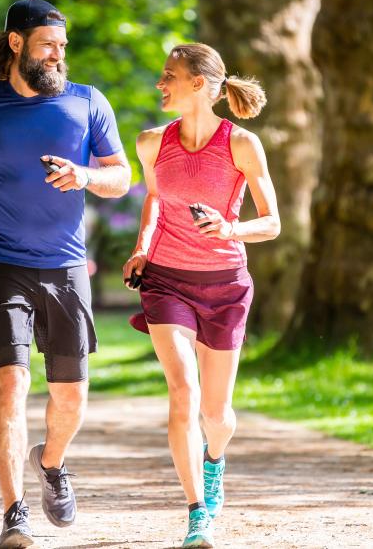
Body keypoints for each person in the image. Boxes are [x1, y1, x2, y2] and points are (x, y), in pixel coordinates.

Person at [0, 0, 130, 549]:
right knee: (9, 383)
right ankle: (14, 512)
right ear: (17, 44)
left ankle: (51, 463)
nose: (59, 55)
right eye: (48, 45)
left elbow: (122, 178)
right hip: (0, 264)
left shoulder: (87, 102)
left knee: (71, 396)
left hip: (65, 268)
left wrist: (85, 175)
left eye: (63, 46)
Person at [122, 43, 280, 548]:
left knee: (217, 415)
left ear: (198, 84)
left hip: (225, 286)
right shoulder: (151, 143)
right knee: (182, 392)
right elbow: (152, 198)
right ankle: (196, 515)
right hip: (166, 280)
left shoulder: (242, 144)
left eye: (169, 76)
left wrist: (230, 230)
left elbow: (272, 222)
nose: (159, 84)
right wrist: (143, 247)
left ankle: (214, 461)